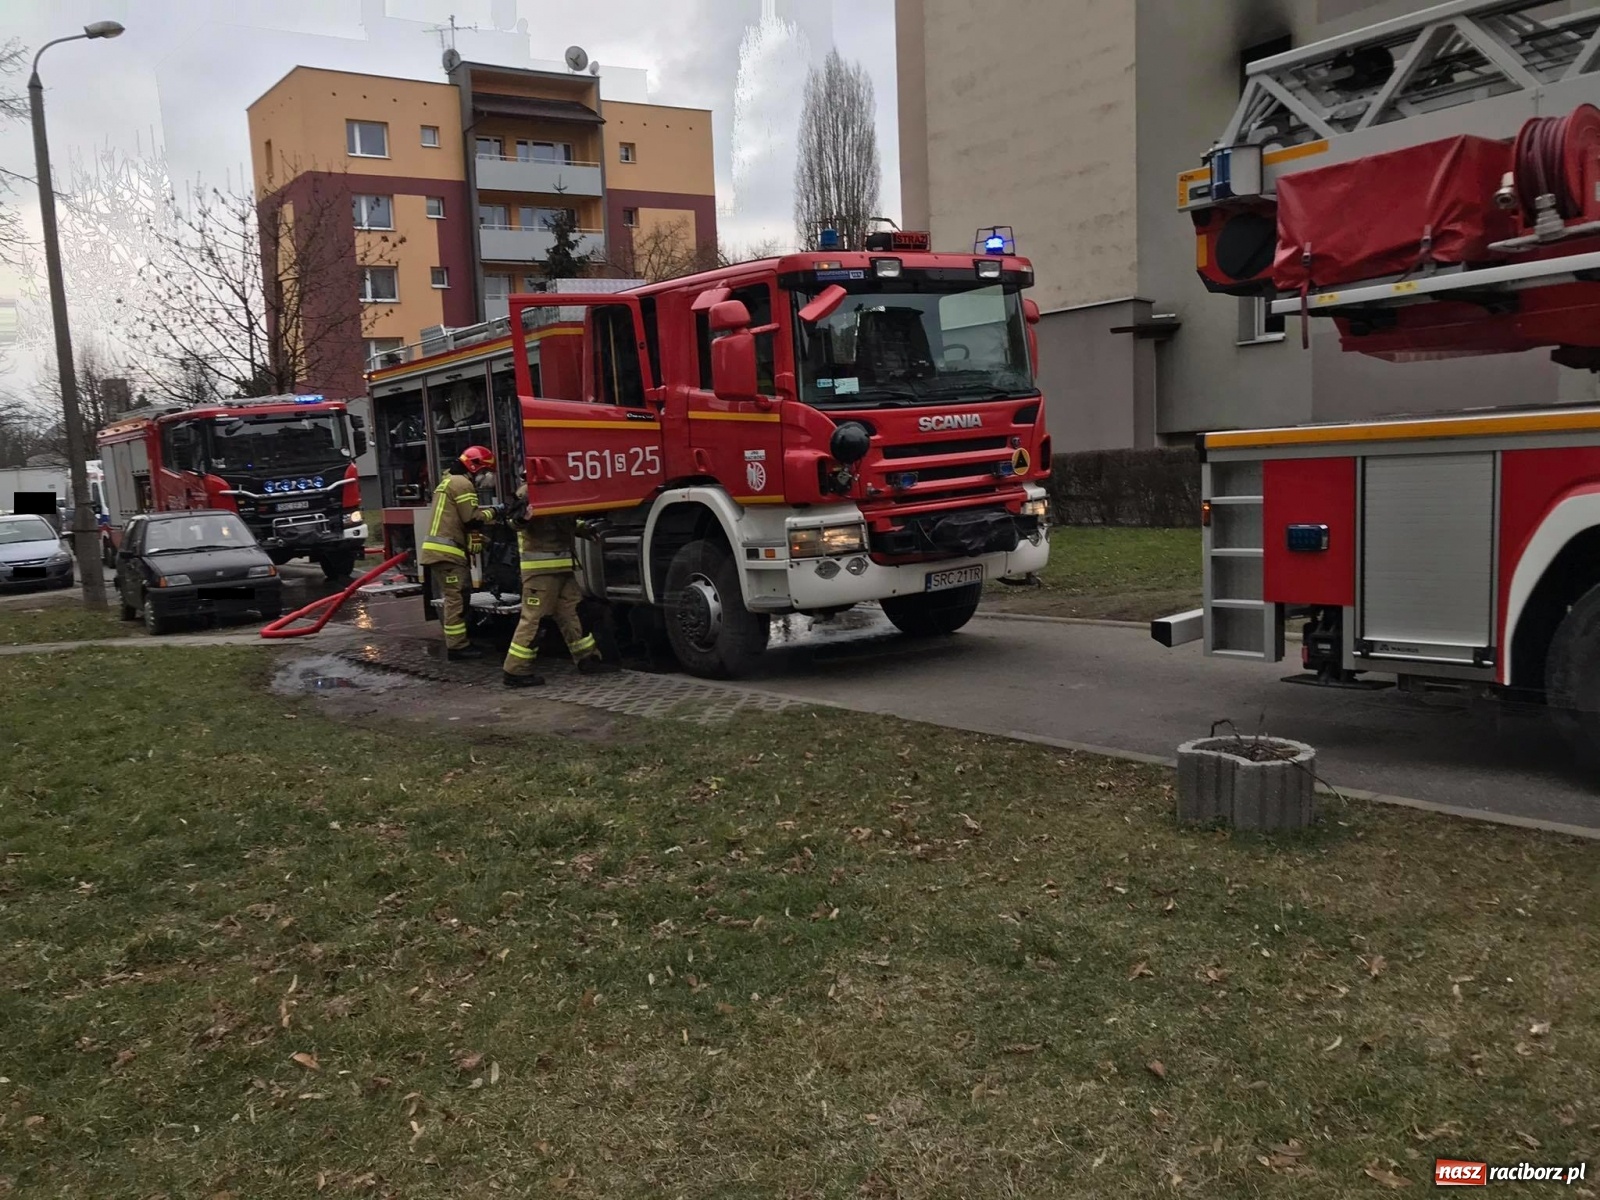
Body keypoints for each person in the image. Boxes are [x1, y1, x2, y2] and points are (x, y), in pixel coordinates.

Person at [502, 483, 617, 687]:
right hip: (540, 571)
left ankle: (587, 659)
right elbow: (513, 521)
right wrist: (523, 517)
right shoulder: (527, 492)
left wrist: (586, 529)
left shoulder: (558, 490)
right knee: (533, 620)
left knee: (573, 614)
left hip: (563, 568)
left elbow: (566, 523)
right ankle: (515, 671)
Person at [419, 445, 498, 659]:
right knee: (456, 598)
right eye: (485, 472)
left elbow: (458, 522)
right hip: (447, 553)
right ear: (475, 467)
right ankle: (457, 647)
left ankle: (459, 642)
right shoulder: (463, 484)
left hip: (442, 551)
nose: (487, 479)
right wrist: (495, 511)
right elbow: (471, 518)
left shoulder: (449, 481)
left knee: (459, 595)